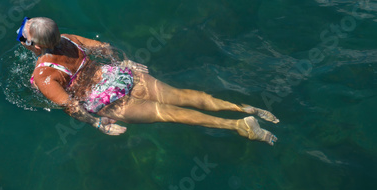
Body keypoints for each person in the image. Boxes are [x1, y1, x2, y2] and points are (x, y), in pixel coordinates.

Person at [17, 17, 279, 145]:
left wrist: (98, 123)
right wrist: (125, 63)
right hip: (117, 75)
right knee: (182, 95)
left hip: (106, 100)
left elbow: (71, 106)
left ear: (35, 46)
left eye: (23, 36)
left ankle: (238, 126)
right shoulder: (70, 39)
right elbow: (106, 49)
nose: (22, 38)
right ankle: (244, 108)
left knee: (170, 114)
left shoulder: (44, 75)